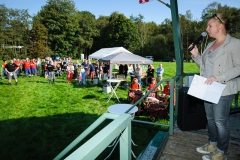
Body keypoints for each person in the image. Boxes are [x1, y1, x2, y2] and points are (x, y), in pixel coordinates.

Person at [189, 13, 240, 160]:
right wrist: (196, 55)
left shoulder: (235, 43)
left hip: (223, 89)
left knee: (220, 121)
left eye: (210, 26)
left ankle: (221, 151)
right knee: (210, 119)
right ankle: (212, 143)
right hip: (207, 87)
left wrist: (219, 77)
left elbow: (239, 67)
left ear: (220, 26)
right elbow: (204, 67)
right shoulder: (210, 45)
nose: (207, 29)